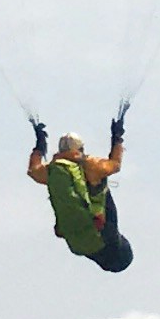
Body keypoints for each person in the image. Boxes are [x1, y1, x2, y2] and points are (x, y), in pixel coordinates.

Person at [28, 112, 133, 271]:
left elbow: (33, 170)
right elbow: (115, 164)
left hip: (80, 244)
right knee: (125, 258)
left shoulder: (52, 171)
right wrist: (117, 138)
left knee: (114, 260)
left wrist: (40, 146)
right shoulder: (90, 164)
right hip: (102, 237)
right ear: (80, 148)